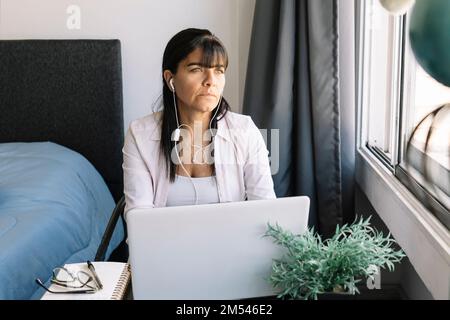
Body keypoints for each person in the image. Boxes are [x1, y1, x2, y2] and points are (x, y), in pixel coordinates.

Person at [123, 28, 275, 215]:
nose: (211, 81)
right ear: (170, 79)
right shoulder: (140, 135)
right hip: (165, 244)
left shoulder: (244, 131)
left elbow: (266, 212)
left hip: (232, 244)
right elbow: (139, 221)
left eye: (218, 71)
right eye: (197, 69)